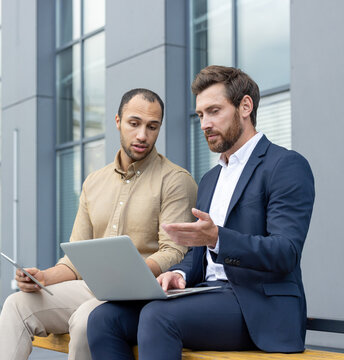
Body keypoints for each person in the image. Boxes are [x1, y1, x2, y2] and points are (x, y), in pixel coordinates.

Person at [87, 66, 315, 360]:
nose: (205, 123)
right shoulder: (210, 179)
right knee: (104, 319)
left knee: (158, 317)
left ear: (245, 106)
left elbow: (286, 251)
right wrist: (179, 273)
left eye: (214, 111)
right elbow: (199, 254)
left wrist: (219, 238)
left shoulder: (285, 165)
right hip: (206, 296)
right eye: (200, 115)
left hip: (258, 308)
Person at [0, 88, 198, 360]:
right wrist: (43, 278)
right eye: (134, 124)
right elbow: (76, 256)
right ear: (118, 121)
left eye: (152, 127)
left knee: (86, 319)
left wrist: (128, 274)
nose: (143, 135)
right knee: (17, 303)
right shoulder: (94, 182)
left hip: (140, 297)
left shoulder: (175, 180)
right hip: (92, 287)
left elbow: (175, 252)